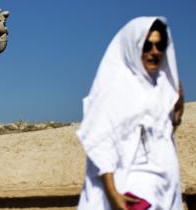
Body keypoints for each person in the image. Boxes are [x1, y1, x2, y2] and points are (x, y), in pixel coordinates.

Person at [77, 17, 184, 210]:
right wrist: (112, 193)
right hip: (133, 190)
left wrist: (173, 78)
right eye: (147, 46)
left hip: (164, 189)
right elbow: (100, 141)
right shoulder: (115, 89)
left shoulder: (161, 88)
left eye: (160, 45)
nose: (155, 52)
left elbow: (172, 124)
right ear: (133, 47)